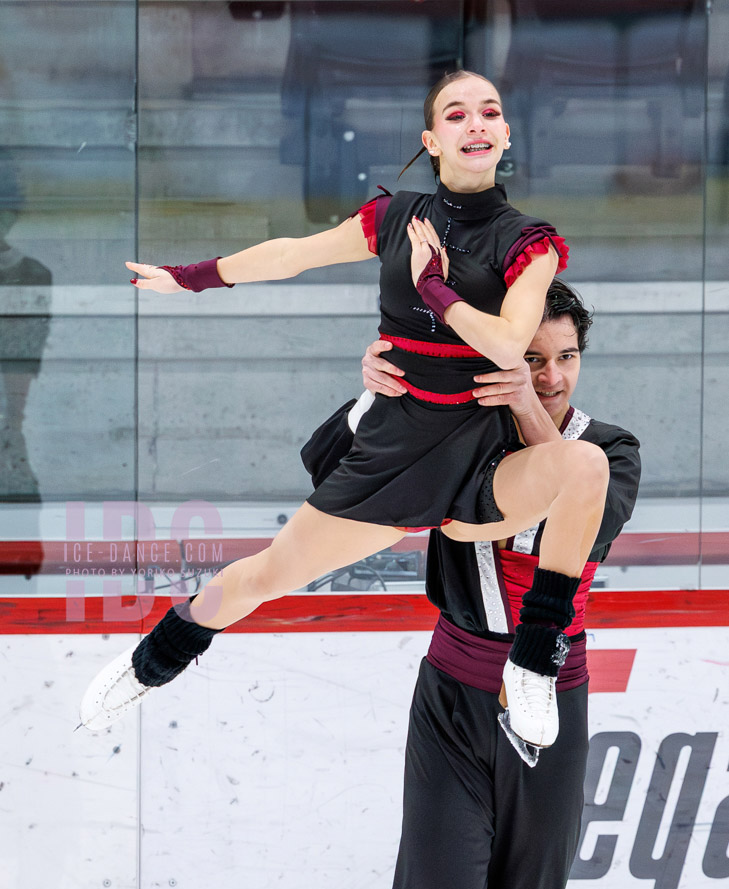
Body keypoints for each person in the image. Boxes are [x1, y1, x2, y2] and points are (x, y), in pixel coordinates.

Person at [80, 71, 609, 755]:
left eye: (489, 112)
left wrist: (430, 285)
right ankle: (151, 663)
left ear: (504, 134)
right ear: (432, 139)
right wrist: (191, 278)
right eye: (456, 115)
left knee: (585, 465)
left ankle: (534, 660)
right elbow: (292, 255)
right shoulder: (393, 219)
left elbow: (507, 345)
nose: (474, 123)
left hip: (483, 459)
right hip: (395, 450)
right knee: (266, 574)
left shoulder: (528, 243)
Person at [354, 281, 640, 889]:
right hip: (452, 695)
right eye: (532, 359)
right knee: (436, 886)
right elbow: (354, 479)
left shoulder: (611, 450)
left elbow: (588, 515)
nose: (552, 377)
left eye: (566, 357)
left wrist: (527, 412)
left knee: (530, 888)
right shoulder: (458, 435)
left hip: (550, 699)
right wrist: (374, 397)